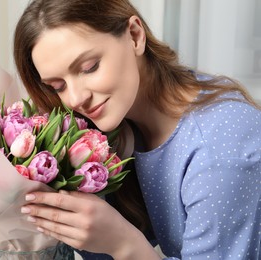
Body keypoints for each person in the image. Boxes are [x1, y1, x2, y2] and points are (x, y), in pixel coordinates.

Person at [13, 0, 261, 259]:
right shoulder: (118, 129)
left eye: (89, 67)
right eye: (58, 86)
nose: (75, 98)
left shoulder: (219, 147)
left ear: (134, 36)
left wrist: (124, 244)